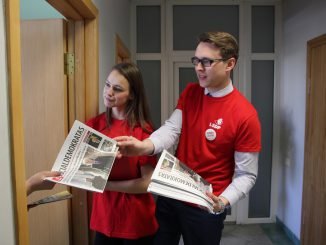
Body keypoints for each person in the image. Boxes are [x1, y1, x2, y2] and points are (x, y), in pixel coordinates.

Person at [115, 31, 261, 245]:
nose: (198, 68)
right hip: (172, 193)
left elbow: (246, 174)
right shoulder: (191, 93)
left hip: (205, 205)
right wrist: (143, 146)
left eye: (206, 62)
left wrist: (222, 202)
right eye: (196, 60)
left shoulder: (245, 116)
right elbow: (172, 130)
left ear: (230, 64)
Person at [86, 62, 158, 245]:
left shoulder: (143, 132)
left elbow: (146, 183)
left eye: (117, 89)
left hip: (135, 221)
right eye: (107, 85)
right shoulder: (93, 126)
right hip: (104, 218)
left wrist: (106, 185)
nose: (109, 92)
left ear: (132, 94)